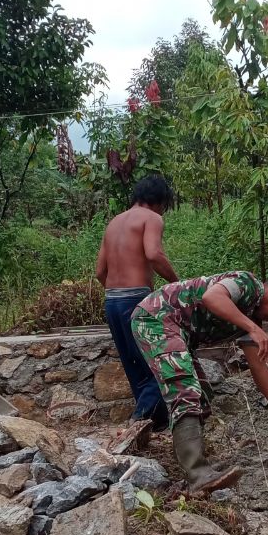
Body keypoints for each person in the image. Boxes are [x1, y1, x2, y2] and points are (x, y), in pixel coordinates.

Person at [132, 270, 268, 493]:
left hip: (177, 331)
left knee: (202, 396)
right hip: (158, 317)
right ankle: (197, 474)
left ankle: (197, 464)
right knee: (185, 391)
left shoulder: (252, 317)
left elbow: (257, 365)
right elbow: (211, 297)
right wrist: (253, 328)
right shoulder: (247, 283)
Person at [95, 174, 179, 432]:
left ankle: (154, 422)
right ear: (159, 200)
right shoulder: (152, 218)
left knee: (135, 367)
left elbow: (100, 272)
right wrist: (176, 284)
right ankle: (138, 422)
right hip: (136, 299)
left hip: (112, 301)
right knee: (154, 362)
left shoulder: (114, 222)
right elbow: (154, 254)